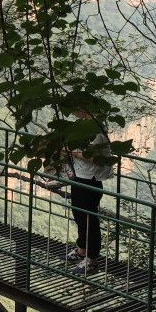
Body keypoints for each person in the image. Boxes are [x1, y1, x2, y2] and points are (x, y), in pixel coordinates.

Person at [63, 108, 114, 274]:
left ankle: (92, 259)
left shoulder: (96, 131)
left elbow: (93, 156)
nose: (73, 111)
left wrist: (72, 152)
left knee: (89, 219)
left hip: (91, 179)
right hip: (80, 176)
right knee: (79, 215)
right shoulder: (84, 126)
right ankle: (82, 249)